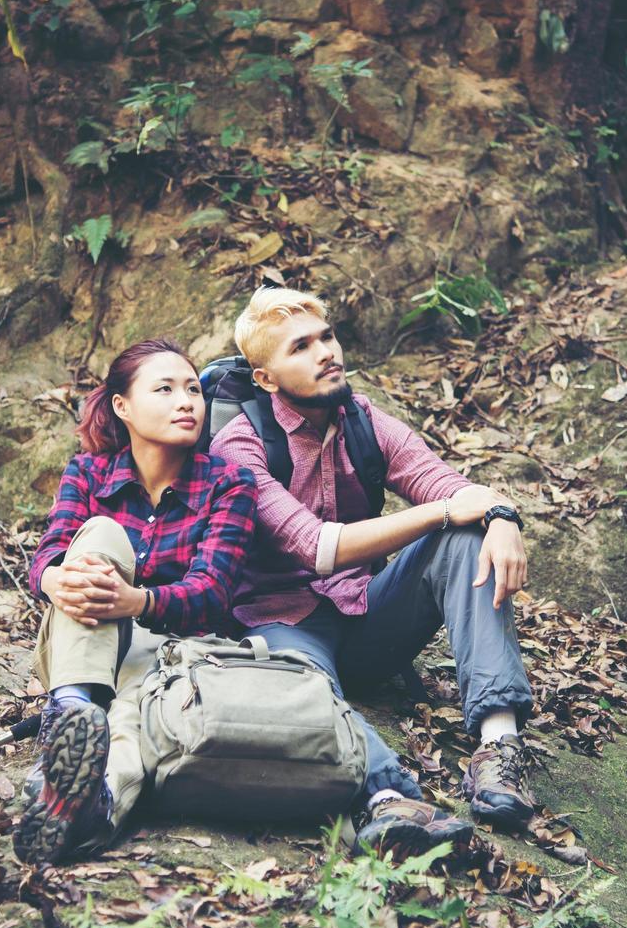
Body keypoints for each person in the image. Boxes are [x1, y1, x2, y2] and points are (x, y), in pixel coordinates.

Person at [210, 287, 537, 858]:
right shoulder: (240, 442)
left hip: (367, 617)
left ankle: (500, 750)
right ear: (265, 378)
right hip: (283, 625)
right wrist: (445, 509)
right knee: (302, 686)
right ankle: (386, 798)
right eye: (302, 346)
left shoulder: (361, 419)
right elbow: (314, 545)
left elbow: (448, 485)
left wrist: (501, 514)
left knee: (465, 533)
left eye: (327, 337)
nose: (325, 352)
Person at [17, 338, 257, 865]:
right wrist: (54, 581)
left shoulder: (229, 481)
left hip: (174, 649)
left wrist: (137, 601)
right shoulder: (88, 472)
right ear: (122, 406)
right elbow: (51, 552)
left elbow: (213, 593)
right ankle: (73, 711)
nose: (187, 401)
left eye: (194, 389)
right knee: (99, 535)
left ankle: (89, 806)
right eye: (165, 389)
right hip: (82, 640)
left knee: (130, 717)